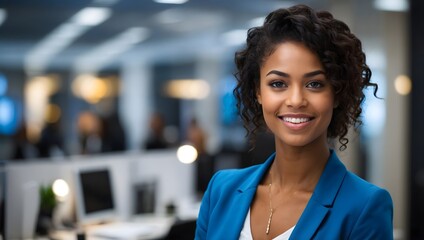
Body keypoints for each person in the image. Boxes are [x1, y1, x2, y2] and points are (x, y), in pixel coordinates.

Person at [195, 4, 393, 240]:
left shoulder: (365, 206)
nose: (296, 100)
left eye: (314, 84)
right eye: (278, 84)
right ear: (258, 91)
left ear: (337, 93)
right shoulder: (220, 190)